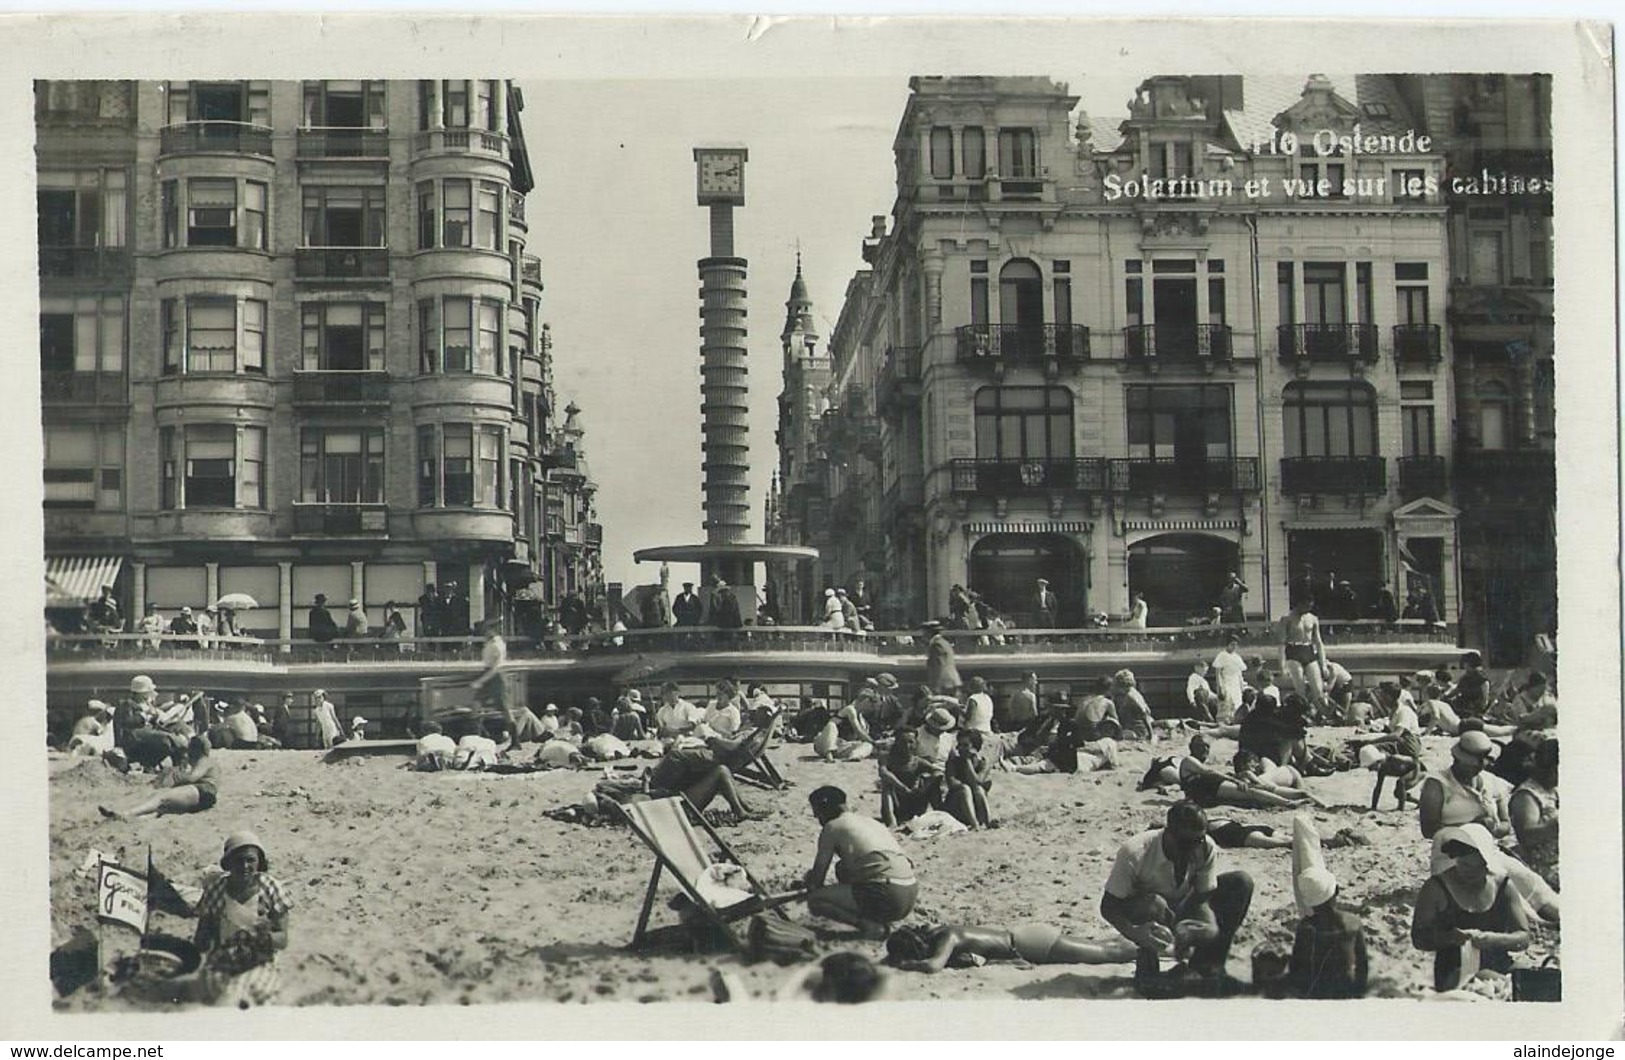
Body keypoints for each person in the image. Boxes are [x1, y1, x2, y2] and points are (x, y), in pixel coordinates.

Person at [1100, 801, 1254, 987]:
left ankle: (1208, 966)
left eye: (1199, 840)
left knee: (1240, 883)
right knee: (1154, 903)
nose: (1194, 848)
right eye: (1186, 842)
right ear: (1168, 833)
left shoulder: (1205, 848)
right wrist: (1135, 933)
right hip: (1147, 915)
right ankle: (1148, 970)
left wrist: (1207, 927)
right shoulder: (1136, 851)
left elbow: (1202, 897)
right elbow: (1108, 906)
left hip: (1182, 906)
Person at [1410, 823, 1531, 993]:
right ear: (1456, 859)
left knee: (1534, 982)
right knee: (1492, 981)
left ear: (1487, 863)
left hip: (1500, 963)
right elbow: (1419, 938)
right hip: (1456, 971)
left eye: (1479, 867)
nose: (1472, 873)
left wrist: (1490, 939)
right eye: (1466, 866)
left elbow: (1523, 938)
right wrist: (1450, 937)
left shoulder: (1502, 885)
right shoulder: (1436, 888)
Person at [193, 831, 290, 1008]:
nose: (245, 866)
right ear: (228, 863)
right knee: (225, 997)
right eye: (238, 860)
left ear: (259, 862)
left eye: (250, 860)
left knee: (246, 996)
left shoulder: (271, 888)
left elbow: (282, 940)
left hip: (260, 963)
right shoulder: (216, 891)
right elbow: (201, 940)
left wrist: (262, 936)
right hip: (222, 963)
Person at [804, 785, 918, 932]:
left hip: (887, 895)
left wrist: (809, 882)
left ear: (824, 810)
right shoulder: (872, 822)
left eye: (817, 814)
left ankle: (869, 926)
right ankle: (875, 916)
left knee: (816, 900)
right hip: (909, 893)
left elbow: (817, 880)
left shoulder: (832, 826)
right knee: (842, 868)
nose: (817, 818)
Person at [1287, 816, 1368, 999]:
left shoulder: (1306, 928)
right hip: (1346, 989)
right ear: (1337, 891)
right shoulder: (1353, 923)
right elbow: (1362, 966)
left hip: (1317, 992)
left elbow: (1296, 969)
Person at [885, 921, 1136, 973]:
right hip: (1025, 936)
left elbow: (933, 965)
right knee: (1105, 947)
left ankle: (1160, 949)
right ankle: (1149, 942)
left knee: (1108, 954)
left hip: (1031, 945)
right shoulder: (945, 930)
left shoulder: (945, 939)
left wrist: (904, 964)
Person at [1418, 731, 1513, 840]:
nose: (1479, 768)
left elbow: (1506, 824)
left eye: (1481, 765)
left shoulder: (1491, 780)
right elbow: (1428, 830)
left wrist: (1494, 828)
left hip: (1488, 846)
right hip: (1452, 849)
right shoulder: (1437, 784)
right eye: (1472, 765)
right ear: (1457, 760)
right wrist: (1473, 828)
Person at [99, 735, 220, 819]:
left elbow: (192, 778)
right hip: (204, 795)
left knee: (161, 797)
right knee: (163, 809)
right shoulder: (207, 761)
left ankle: (126, 814)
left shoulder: (205, 760)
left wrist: (177, 776)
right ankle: (134, 818)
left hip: (203, 790)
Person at [1510, 739, 1559, 889]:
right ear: (1550, 769)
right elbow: (1525, 836)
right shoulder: (1527, 795)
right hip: (1544, 866)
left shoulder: (1553, 789)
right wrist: (1552, 827)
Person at [877, 728, 943, 828]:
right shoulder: (887, 758)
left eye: (911, 742)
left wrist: (924, 786)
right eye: (903, 742)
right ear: (896, 742)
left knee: (933, 783)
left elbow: (938, 772)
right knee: (887, 785)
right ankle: (892, 821)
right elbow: (883, 772)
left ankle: (940, 815)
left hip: (914, 804)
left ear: (916, 743)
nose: (907, 746)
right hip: (897, 804)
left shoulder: (918, 762)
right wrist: (902, 787)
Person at [1278, 579, 1327, 712]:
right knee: (1300, 688)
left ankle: (1323, 714)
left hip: (1308, 650)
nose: (1308, 608)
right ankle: (1303, 714)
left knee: (1318, 688)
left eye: (1310, 606)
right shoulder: (1287, 619)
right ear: (1299, 604)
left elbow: (1319, 642)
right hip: (1293, 651)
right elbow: (1281, 644)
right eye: (1306, 606)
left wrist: (1323, 664)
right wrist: (1282, 666)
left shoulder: (1312, 618)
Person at [943, 728, 993, 829]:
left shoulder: (983, 763)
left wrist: (968, 763)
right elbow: (952, 784)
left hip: (975, 806)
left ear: (974, 747)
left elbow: (977, 782)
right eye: (960, 744)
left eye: (965, 745)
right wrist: (966, 761)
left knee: (979, 790)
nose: (960, 748)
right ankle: (975, 825)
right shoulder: (953, 762)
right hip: (956, 806)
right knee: (965, 789)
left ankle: (988, 822)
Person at [654, 680, 708, 746]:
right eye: (664, 693)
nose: (666, 696)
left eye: (669, 692)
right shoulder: (662, 710)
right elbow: (661, 729)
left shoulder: (687, 706)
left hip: (686, 738)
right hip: (668, 740)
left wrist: (676, 732)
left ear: (676, 693)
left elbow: (693, 726)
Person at [1208, 638, 1247, 724]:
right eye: (1232, 644)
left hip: (1236, 684)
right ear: (1228, 645)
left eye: (1236, 645)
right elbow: (1218, 673)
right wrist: (1220, 686)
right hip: (1226, 682)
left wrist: (1241, 686)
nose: (1234, 647)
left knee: (1237, 705)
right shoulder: (1222, 655)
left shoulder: (1237, 657)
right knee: (1226, 705)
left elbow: (1239, 673)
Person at [1111, 669, 1153, 741]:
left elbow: (1145, 714)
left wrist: (1150, 735)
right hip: (1131, 728)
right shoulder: (1127, 694)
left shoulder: (1132, 696)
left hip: (1137, 731)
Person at [923, 621, 961, 696]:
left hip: (944, 684)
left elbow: (939, 665)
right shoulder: (944, 642)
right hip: (951, 682)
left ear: (929, 633)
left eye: (925, 632)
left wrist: (936, 686)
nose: (923, 635)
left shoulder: (936, 645)